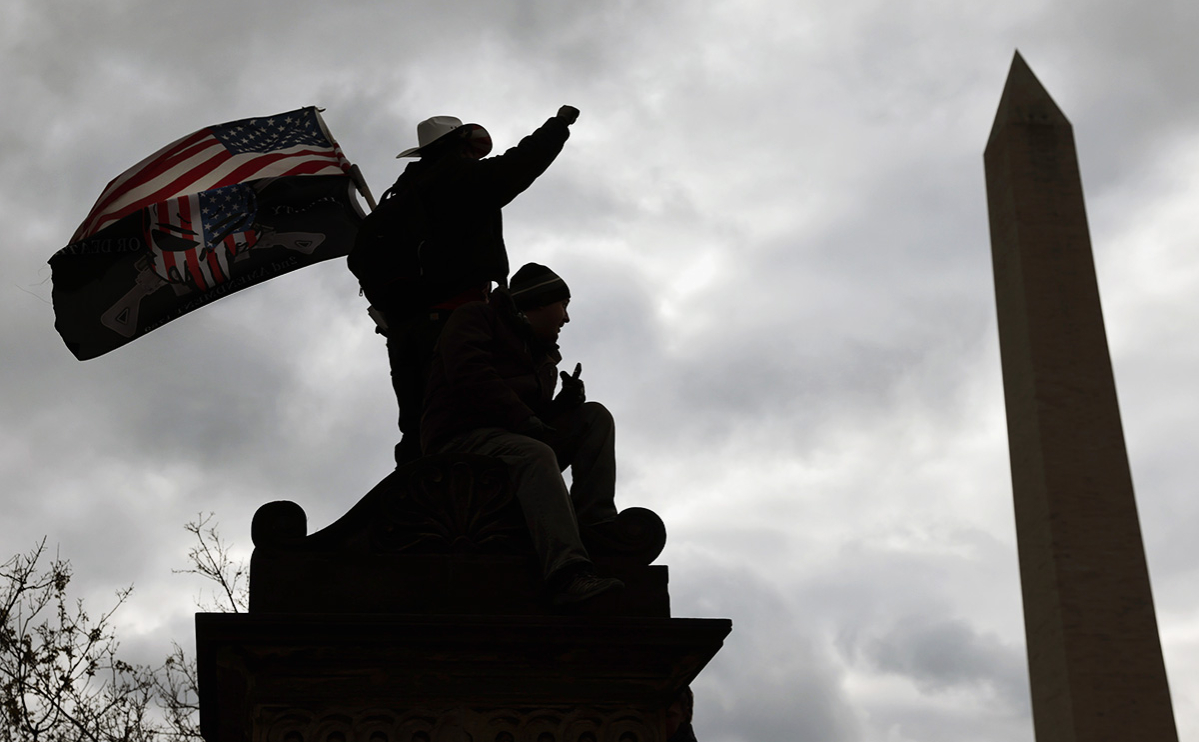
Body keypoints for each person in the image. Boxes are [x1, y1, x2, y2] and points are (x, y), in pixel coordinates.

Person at [350, 107, 581, 465]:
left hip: (402, 333)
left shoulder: (401, 196)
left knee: (418, 429)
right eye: (473, 148)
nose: (477, 156)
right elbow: (519, 166)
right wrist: (557, 127)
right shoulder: (456, 178)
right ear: (459, 145)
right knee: (466, 419)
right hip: (451, 322)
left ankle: (414, 506)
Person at [421, 263, 623, 606]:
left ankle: (598, 527)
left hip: (510, 439)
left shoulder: (542, 354)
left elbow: (533, 420)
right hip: (460, 441)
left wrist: (562, 406)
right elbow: (470, 376)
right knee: (534, 454)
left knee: (594, 418)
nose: (566, 319)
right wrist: (525, 419)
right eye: (564, 305)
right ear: (539, 303)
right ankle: (567, 574)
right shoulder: (476, 317)